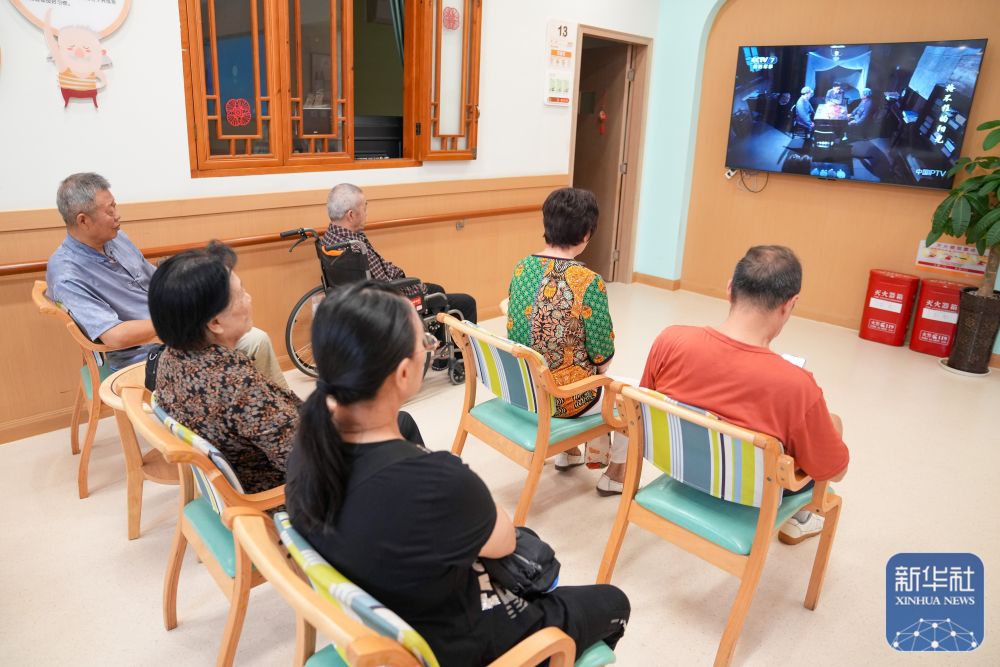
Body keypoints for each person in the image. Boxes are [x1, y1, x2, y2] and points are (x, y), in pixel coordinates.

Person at [285, 282, 630, 666]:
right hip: (464, 641)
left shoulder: (307, 448)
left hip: (392, 617)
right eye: (425, 342)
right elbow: (503, 542)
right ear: (403, 372)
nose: (430, 347)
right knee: (613, 601)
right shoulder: (437, 481)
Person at [150, 243, 423, 494]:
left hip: (258, 471)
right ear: (215, 323)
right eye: (241, 293)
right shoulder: (236, 385)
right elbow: (306, 461)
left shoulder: (172, 359)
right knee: (400, 425)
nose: (249, 298)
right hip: (290, 492)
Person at [639, 246, 849, 545]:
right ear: (789, 305)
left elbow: (645, 405)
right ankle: (801, 518)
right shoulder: (796, 386)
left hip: (681, 469)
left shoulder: (669, 340)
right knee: (831, 423)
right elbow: (834, 471)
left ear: (730, 289)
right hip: (753, 495)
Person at [45, 172, 289, 389]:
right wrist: (180, 321)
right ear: (83, 220)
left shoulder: (116, 239)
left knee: (252, 336)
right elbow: (115, 336)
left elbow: (155, 279)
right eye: (109, 211)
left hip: (179, 332)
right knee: (253, 343)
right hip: (145, 354)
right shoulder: (67, 274)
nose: (117, 216)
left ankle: (274, 409)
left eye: (115, 206)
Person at [506, 187, 626, 495]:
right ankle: (616, 474)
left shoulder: (522, 268)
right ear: (586, 234)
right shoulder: (589, 282)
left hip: (525, 389)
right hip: (563, 400)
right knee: (627, 399)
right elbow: (602, 356)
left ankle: (570, 452)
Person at [321, 183, 478, 325]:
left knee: (437, 290)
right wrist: (413, 286)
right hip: (389, 303)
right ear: (351, 215)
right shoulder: (355, 248)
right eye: (364, 207)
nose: (366, 213)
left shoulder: (330, 240)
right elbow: (386, 287)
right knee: (465, 302)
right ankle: (455, 347)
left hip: (356, 303)